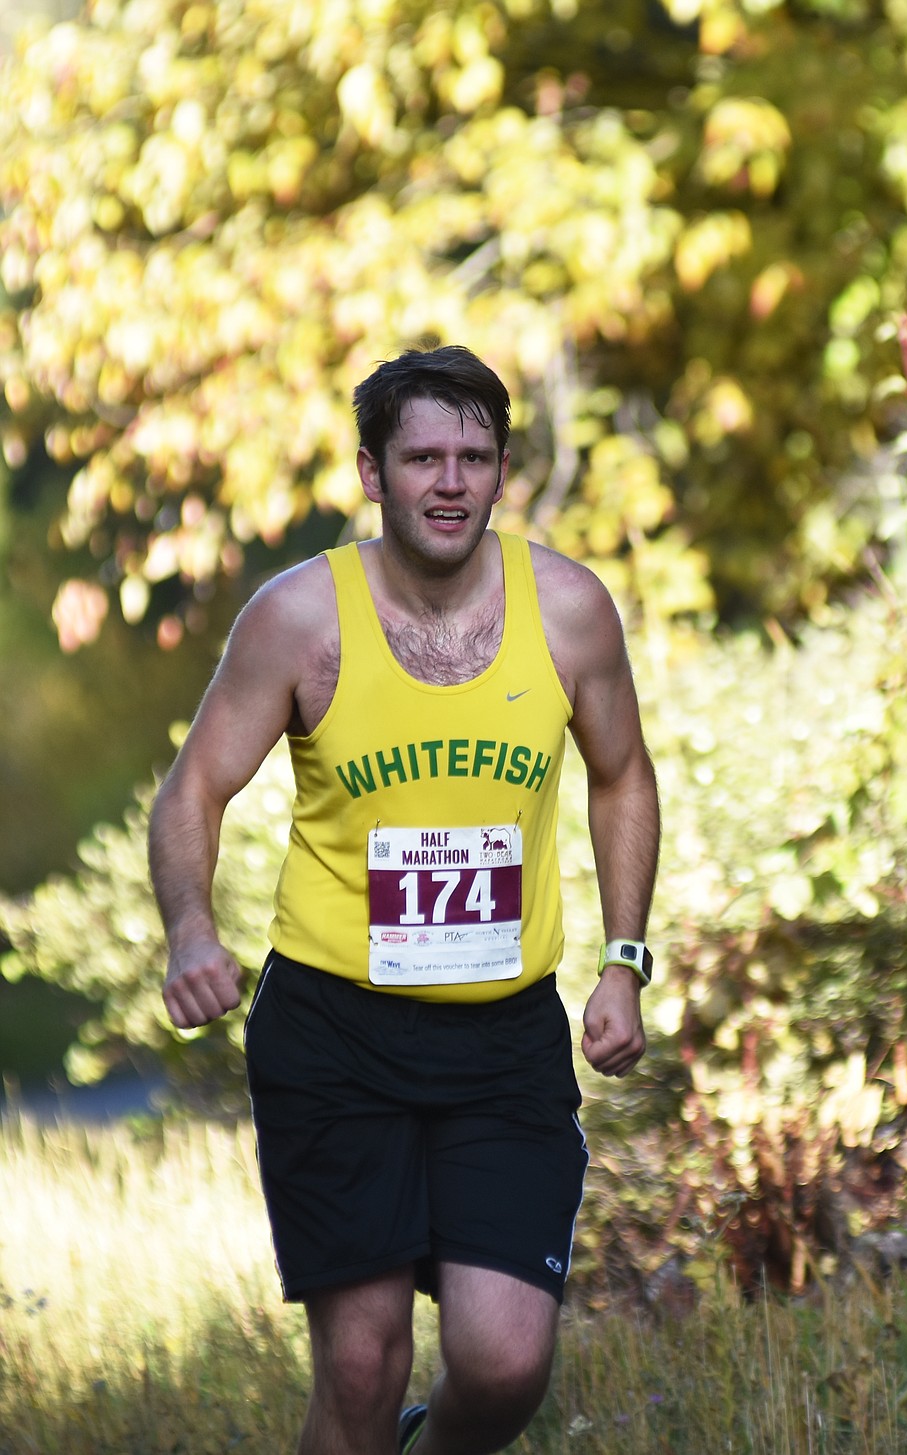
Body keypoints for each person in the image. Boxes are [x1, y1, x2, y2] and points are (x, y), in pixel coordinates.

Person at [148, 343, 660, 1455]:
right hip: (336, 1032)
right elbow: (193, 788)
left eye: (474, 457)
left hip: (506, 1037)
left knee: (506, 1362)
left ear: (502, 469)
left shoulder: (568, 611)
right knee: (363, 1364)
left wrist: (625, 959)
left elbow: (622, 775)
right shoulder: (298, 619)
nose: (449, 481)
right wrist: (193, 927)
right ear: (373, 473)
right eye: (422, 456)